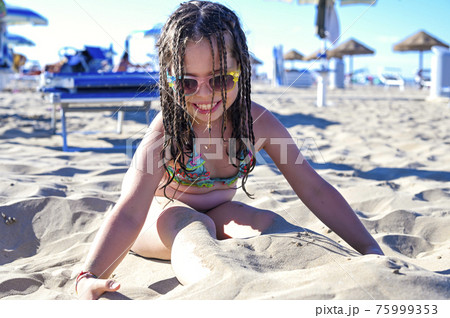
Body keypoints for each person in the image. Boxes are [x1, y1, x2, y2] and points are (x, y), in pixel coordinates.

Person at [76, 0, 383, 300]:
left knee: (268, 222)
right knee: (193, 225)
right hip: (156, 219)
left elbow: (314, 189)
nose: (205, 94)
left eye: (221, 79)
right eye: (187, 83)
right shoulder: (165, 132)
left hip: (220, 212)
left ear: (241, 69)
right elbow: (130, 212)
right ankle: (223, 293)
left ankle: (339, 268)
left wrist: (370, 249)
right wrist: (87, 276)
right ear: (169, 80)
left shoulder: (257, 124)